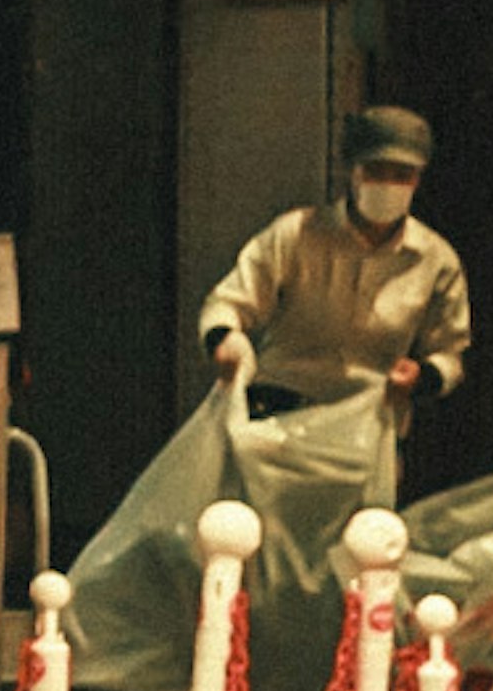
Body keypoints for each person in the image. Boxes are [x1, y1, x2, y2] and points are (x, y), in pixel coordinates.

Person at [201, 107, 470, 444]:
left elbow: (449, 353)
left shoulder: (435, 259)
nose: (388, 184)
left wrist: (422, 377)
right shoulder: (296, 234)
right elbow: (228, 301)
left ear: (419, 177)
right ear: (352, 171)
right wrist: (224, 340)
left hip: (366, 430)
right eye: (375, 171)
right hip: (277, 418)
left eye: (402, 174)